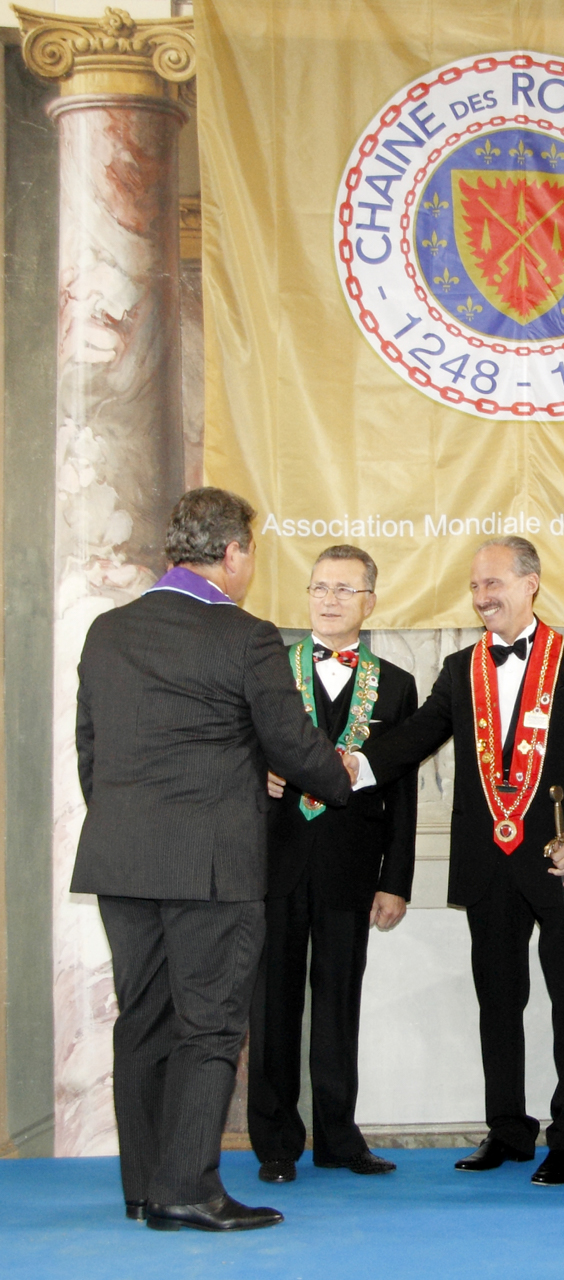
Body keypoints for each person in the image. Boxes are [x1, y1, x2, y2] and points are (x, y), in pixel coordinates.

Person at [71, 488, 353, 1233]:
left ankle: (145, 1187)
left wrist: (130, 826)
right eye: (251, 552)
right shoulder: (245, 635)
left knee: (142, 1020)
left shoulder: (108, 630)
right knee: (210, 1027)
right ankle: (188, 1190)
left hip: (122, 860)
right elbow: (292, 745)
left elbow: (91, 750)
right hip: (211, 867)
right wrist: (347, 778)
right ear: (232, 554)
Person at [349, 537, 564, 1185]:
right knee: (498, 1000)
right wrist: (349, 765)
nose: (482, 596)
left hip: (561, 862)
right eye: (474, 586)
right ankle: (508, 1131)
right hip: (487, 863)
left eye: (493, 583)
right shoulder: (460, 667)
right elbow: (415, 737)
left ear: (530, 584)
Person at [247, 544, 417, 1181]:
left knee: (339, 1003)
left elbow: (401, 790)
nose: (330, 599)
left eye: (345, 589)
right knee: (273, 1006)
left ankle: (339, 1138)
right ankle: (275, 1144)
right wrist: (254, 772)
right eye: (320, 587)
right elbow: (231, 747)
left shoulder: (397, 684)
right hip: (274, 863)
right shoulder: (267, 668)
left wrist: (395, 881)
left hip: (352, 867)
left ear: (370, 602)